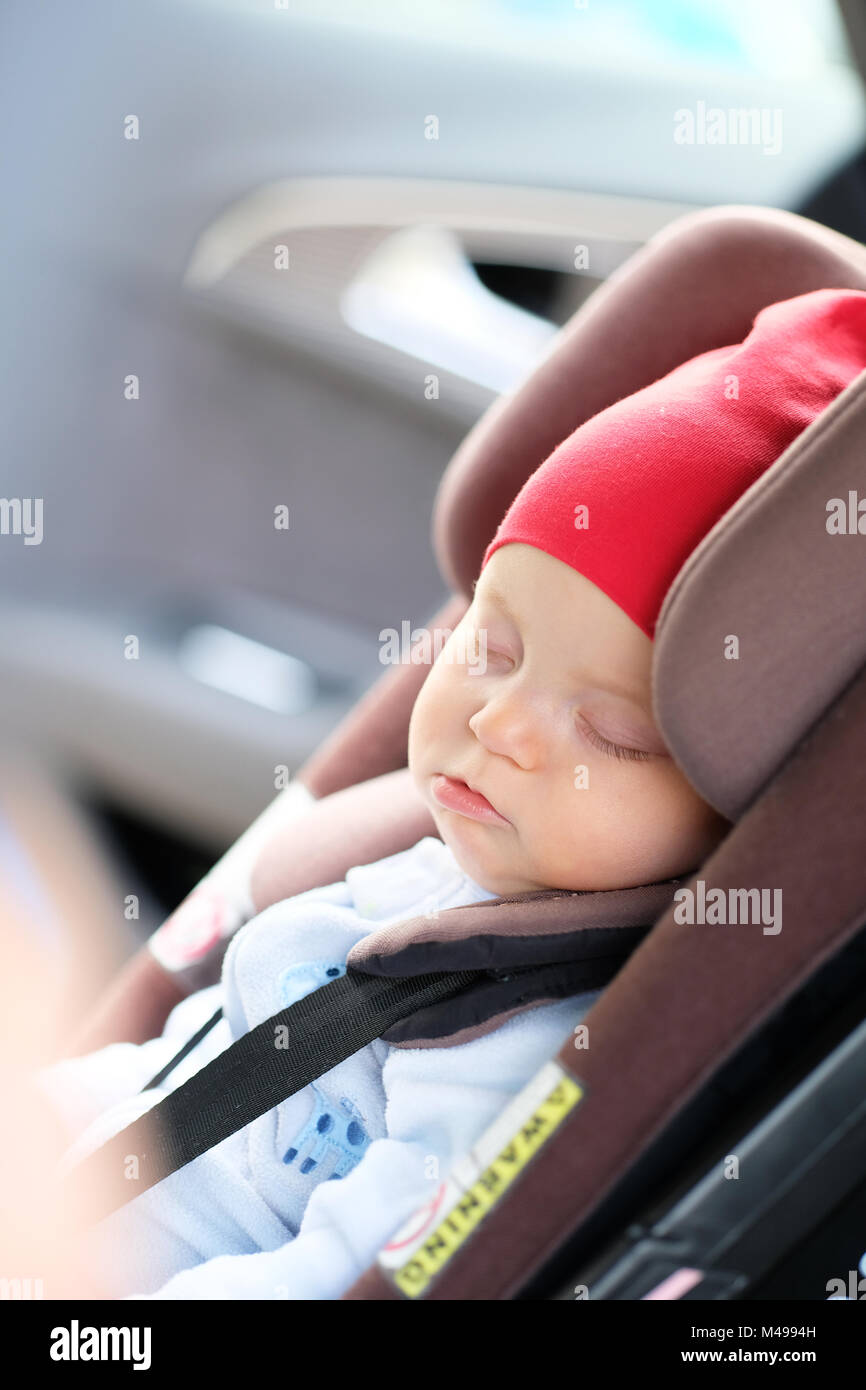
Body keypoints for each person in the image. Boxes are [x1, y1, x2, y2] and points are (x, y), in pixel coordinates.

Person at [36, 286, 866, 1299]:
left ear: (726, 821)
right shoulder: (434, 858)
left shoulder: (517, 1037)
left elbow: (332, 1274)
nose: (496, 723)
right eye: (491, 645)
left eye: (610, 732)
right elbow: (168, 1072)